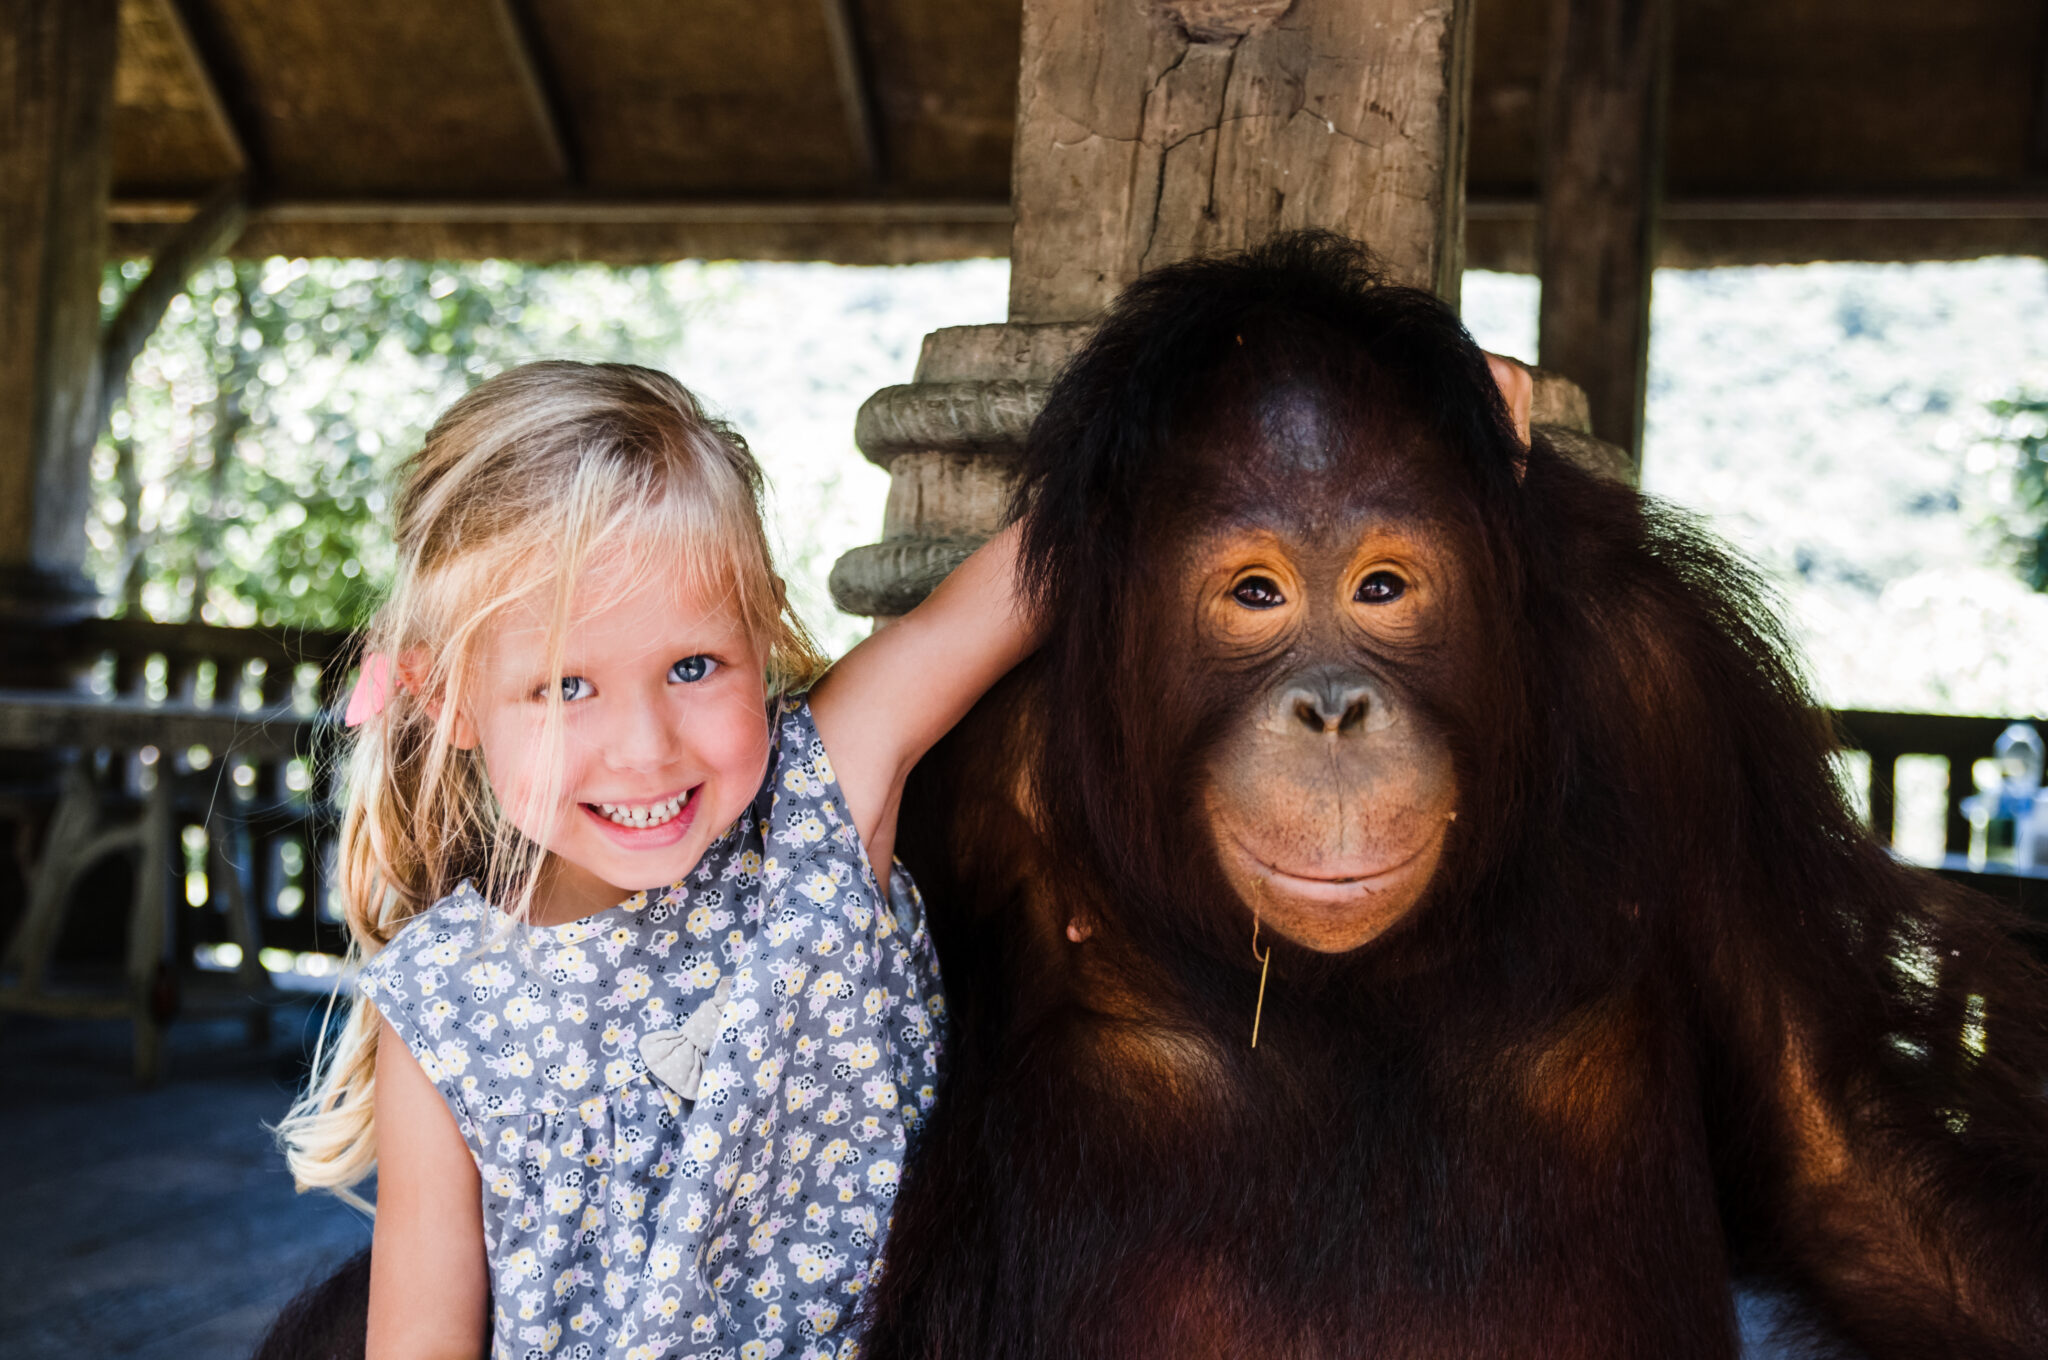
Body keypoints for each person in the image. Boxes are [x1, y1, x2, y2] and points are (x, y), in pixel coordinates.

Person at [275, 361, 1039, 1360]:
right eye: (564, 686)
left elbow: (1032, 571)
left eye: (691, 666)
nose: (645, 746)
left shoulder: (812, 816)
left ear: (759, 631)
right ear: (451, 699)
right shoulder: (442, 1005)